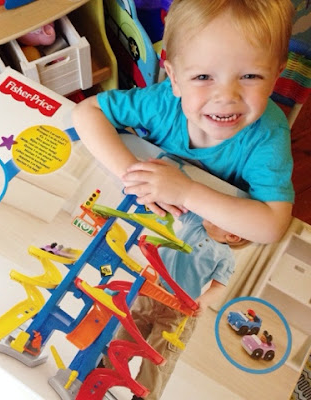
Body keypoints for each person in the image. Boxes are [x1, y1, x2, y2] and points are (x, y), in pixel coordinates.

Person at [73, 0, 295, 245]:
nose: (226, 97)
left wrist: (186, 192)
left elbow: (272, 227)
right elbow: (87, 111)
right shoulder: (164, 101)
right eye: (203, 76)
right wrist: (135, 176)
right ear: (175, 79)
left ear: (275, 77)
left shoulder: (268, 134)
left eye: (250, 76)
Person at [102, 211, 249, 400]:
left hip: (178, 310)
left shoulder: (225, 257)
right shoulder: (195, 220)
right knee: (126, 335)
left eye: (218, 216)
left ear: (232, 236)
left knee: (159, 356)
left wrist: (204, 301)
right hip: (152, 293)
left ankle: (143, 396)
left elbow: (219, 287)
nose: (211, 212)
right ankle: (104, 371)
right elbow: (186, 205)